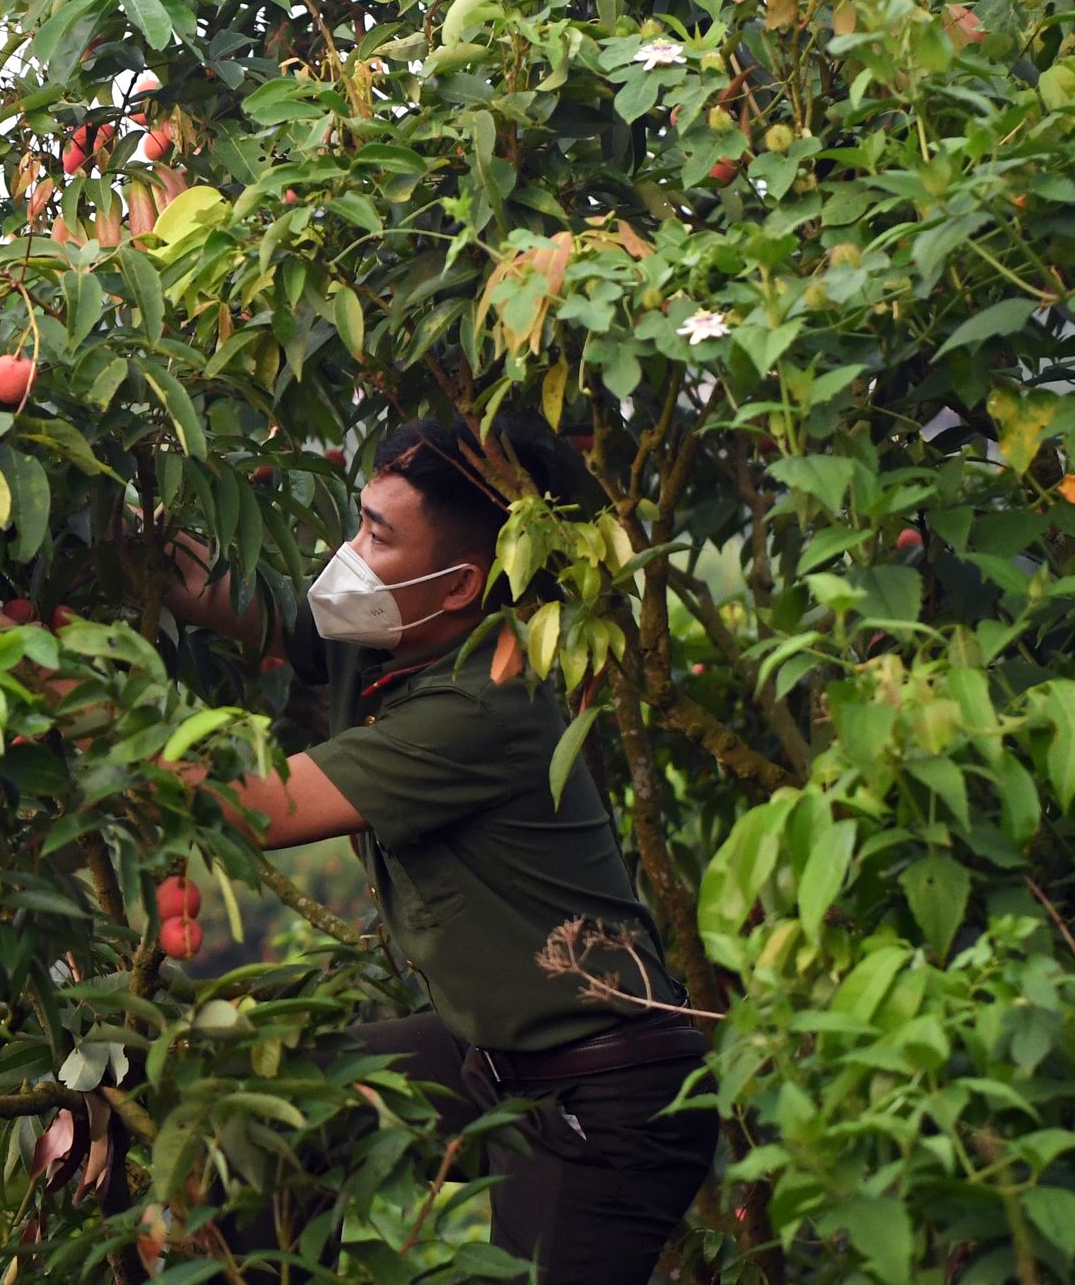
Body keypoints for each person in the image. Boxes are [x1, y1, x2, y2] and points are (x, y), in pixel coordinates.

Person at [159, 416, 718, 1285]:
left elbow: (253, 807)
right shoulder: (395, 638)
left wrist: (66, 697)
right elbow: (235, 595)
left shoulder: (487, 703)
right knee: (263, 1115)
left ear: (459, 585)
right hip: (489, 1054)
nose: (349, 551)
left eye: (377, 535)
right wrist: (84, 533)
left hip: (605, 1097)